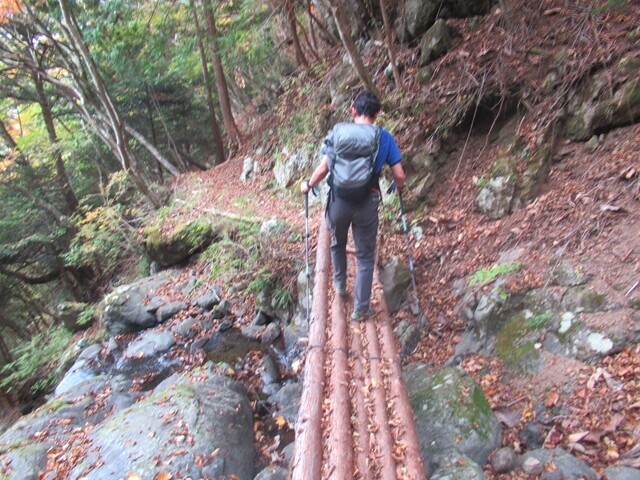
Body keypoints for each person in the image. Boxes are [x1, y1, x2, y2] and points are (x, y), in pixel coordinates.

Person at [301, 91, 406, 321]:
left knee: (337, 242)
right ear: (377, 114)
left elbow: (324, 167)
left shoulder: (339, 134)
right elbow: (399, 174)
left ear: (353, 110)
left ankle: (339, 285)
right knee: (366, 256)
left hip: (338, 201)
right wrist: (399, 187)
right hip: (367, 202)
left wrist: (308, 185)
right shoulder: (384, 137)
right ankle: (360, 308)